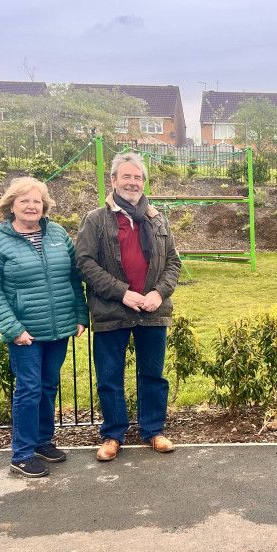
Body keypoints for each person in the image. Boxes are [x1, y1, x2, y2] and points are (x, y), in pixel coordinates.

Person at [0, 177, 88, 478]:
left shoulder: (58, 234)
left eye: (36, 201)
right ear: (11, 205)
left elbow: (73, 278)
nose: (31, 206)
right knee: (28, 389)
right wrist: (13, 329)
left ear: (44, 205)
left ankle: (42, 441)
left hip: (59, 327)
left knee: (48, 386)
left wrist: (80, 315)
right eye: (24, 200)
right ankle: (22, 453)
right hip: (25, 331)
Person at [76, 152, 182, 462]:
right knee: (110, 375)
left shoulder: (157, 218)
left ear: (143, 182)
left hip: (152, 310)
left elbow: (173, 262)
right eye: (126, 176)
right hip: (112, 310)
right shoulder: (96, 220)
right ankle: (113, 434)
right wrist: (123, 293)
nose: (132, 182)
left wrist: (159, 294)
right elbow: (84, 263)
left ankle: (153, 431)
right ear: (113, 181)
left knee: (153, 374)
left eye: (137, 177)